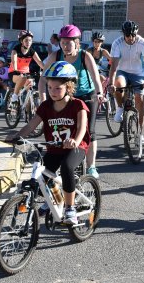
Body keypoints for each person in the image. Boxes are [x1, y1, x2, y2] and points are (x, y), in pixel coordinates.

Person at [5, 61, 91, 225]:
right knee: (43, 176)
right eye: (50, 88)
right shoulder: (45, 106)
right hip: (54, 148)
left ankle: (70, 208)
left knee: (66, 167)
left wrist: (74, 141)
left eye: (58, 88)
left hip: (76, 148)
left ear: (69, 87)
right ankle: (57, 200)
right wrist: (17, 136)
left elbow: (81, 128)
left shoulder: (78, 105)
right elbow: (31, 125)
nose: (53, 92)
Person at [42, 25, 104, 178]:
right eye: (62, 42)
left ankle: (91, 167)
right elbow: (43, 79)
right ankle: (64, 158)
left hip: (86, 96)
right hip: (66, 97)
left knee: (90, 131)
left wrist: (99, 93)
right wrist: (43, 98)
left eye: (69, 43)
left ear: (77, 43)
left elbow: (96, 77)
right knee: (60, 127)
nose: (65, 46)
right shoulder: (55, 56)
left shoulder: (85, 56)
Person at [107, 20, 144, 147]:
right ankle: (120, 108)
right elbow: (114, 66)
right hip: (122, 71)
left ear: (136, 33)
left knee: (141, 100)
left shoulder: (143, 43)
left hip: (138, 74)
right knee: (118, 85)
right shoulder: (117, 43)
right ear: (124, 34)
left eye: (133, 35)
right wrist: (111, 83)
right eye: (128, 35)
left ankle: (140, 134)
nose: (130, 38)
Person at [8, 30, 44, 104]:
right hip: (14, 73)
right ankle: (14, 96)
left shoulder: (32, 51)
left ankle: (28, 111)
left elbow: (40, 62)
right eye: (26, 40)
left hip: (26, 73)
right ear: (21, 41)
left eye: (30, 40)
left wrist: (46, 70)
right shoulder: (16, 50)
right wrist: (16, 70)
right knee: (22, 78)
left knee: (30, 87)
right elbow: (14, 61)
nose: (29, 42)